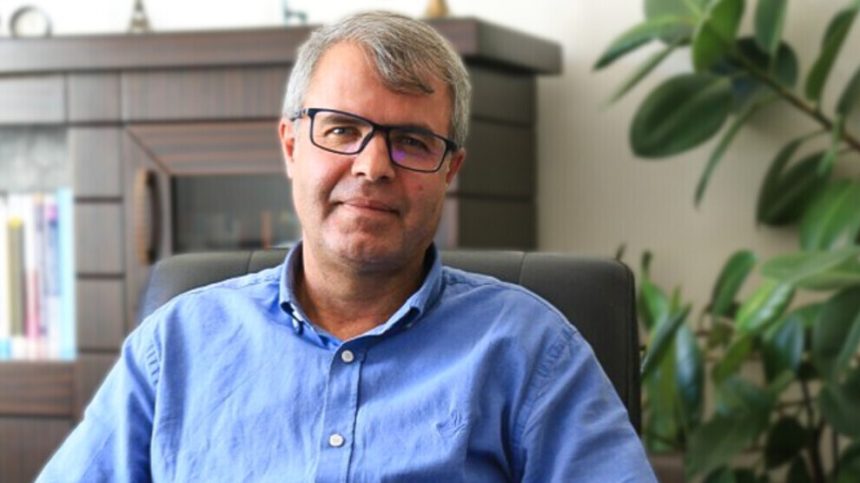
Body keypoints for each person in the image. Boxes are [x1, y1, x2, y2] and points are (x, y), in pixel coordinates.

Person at [38, 11, 656, 482]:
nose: (372, 166)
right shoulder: (174, 347)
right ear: (291, 146)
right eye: (342, 130)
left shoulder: (532, 349)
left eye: (411, 142)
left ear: (451, 169)